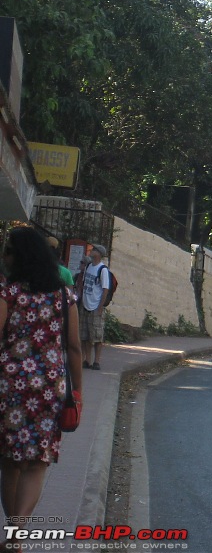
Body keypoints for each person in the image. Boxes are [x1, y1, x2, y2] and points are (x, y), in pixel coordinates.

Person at [0, 227, 82, 545]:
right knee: (37, 462)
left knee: (9, 460)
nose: (4, 257)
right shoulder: (64, 296)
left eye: (7, 251)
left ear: (17, 257)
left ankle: (14, 532)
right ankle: (17, 535)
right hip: (50, 387)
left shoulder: (8, 293)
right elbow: (74, 348)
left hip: (10, 386)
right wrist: (78, 393)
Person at [80, 245, 109, 371]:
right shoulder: (88, 266)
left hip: (95, 306)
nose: (91, 251)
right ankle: (87, 360)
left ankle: (96, 361)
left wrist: (100, 307)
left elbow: (105, 289)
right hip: (85, 305)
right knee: (85, 335)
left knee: (97, 336)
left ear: (99, 254)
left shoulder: (102, 269)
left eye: (94, 250)